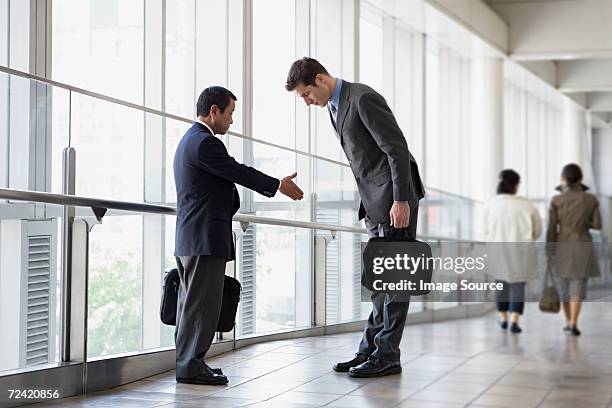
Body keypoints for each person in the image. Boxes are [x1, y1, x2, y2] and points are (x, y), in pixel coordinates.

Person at [286, 57, 425, 378]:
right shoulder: (336, 107)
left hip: (394, 200)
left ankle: (387, 355)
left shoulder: (362, 98)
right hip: (375, 203)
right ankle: (370, 350)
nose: (307, 103)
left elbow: (396, 149)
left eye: (306, 94)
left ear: (320, 79)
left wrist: (401, 199)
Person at [173, 86, 304, 385]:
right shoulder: (205, 143)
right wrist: (276, 184)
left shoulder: (191, 141)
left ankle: (191, 363)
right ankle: (191, 366)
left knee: (191, 304)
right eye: (230, 113)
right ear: (214, 111)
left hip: (193, 237)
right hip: (203, 237)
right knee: (201, 306)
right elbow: (237, 171)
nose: (232, 121)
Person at [481, 169, 542, 334]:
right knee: (517, 286)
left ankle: (503, 318)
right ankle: (515, 320)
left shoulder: (490, 205)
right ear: (516, 185)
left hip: (497, 250)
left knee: (500, 285)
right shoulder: (528, 205)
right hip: (521, 251)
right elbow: (537, 231)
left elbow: (484, 232)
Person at [546, 163, 601, 336]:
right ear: (580, 179)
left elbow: (551, 228)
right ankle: (573, 323)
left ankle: (567, 321)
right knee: (577, 286)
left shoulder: (556, 200)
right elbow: (598, 225)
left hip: (562, 245)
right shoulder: (590, 199)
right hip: (583, 244)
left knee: (564, 286)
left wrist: (549, 251)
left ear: (563, 179)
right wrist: (584, 223)